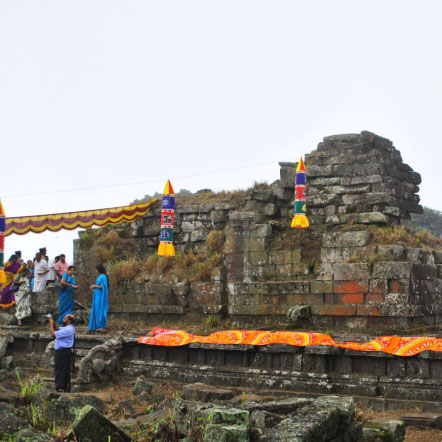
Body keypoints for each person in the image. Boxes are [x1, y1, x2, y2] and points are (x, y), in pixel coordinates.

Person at [49, 313, 76, 392]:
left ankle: (61, 387)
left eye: (65, 319)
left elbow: (53, 334)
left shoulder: (68, 329)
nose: (63, 320)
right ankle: (63, 387)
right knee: (61, 369)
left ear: (69, 321)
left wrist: (51, 324)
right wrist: (53, 321)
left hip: (63, 352)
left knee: (61, 370)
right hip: (63, 352)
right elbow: (57, 328)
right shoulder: (68, 328)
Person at [88, 264, 109, 332]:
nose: (95, 271)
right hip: (97, 295)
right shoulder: (100, 276)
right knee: (97, 310)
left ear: (99, 269)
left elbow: (102, 287)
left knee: (100, 310)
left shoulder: (103, 276)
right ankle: (96, 326)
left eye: (96, 269)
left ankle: (102, 326)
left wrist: (95, 286)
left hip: (100, 297)